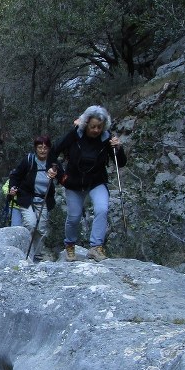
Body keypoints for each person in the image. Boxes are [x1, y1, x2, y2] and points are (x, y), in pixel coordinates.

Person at [47, 105, 126, 261]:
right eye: (93, 127)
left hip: (97, 181)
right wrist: (61, 175)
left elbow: (120, 163)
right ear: (86, 124)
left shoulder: (106, 138)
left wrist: (119, 148)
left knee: (102, 209)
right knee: (74, 217)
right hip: (73, 183)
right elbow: (53, 153)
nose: (96, 130)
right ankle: (70, 245)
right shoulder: (74, 135)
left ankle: (96, 247)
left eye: (99, 127)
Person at [7, 135, 58, 261]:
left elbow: (61, 175)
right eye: (40, 147)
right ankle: (25, 252)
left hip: (43, 199)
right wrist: (12, 188)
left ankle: (37, 254)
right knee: (30, 224)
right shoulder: (28, 160)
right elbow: (15, 175)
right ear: (35, 148)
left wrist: (56, 173)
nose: (42, 150)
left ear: (49, 149)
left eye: (45, 148)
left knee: (41, 228)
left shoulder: (53, 162)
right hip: (26, 197)